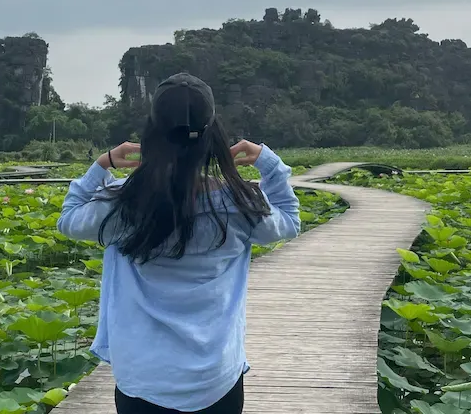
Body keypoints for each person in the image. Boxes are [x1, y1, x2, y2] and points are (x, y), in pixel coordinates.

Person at [57, 73, 300, 414]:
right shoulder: (241, 205)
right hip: (216, 381)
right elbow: (289, 221)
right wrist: (268, 164)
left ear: (151, 135)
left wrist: (102, 165)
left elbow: (68, 220)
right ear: (213, 136)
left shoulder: (124, 204)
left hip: (142, 381)